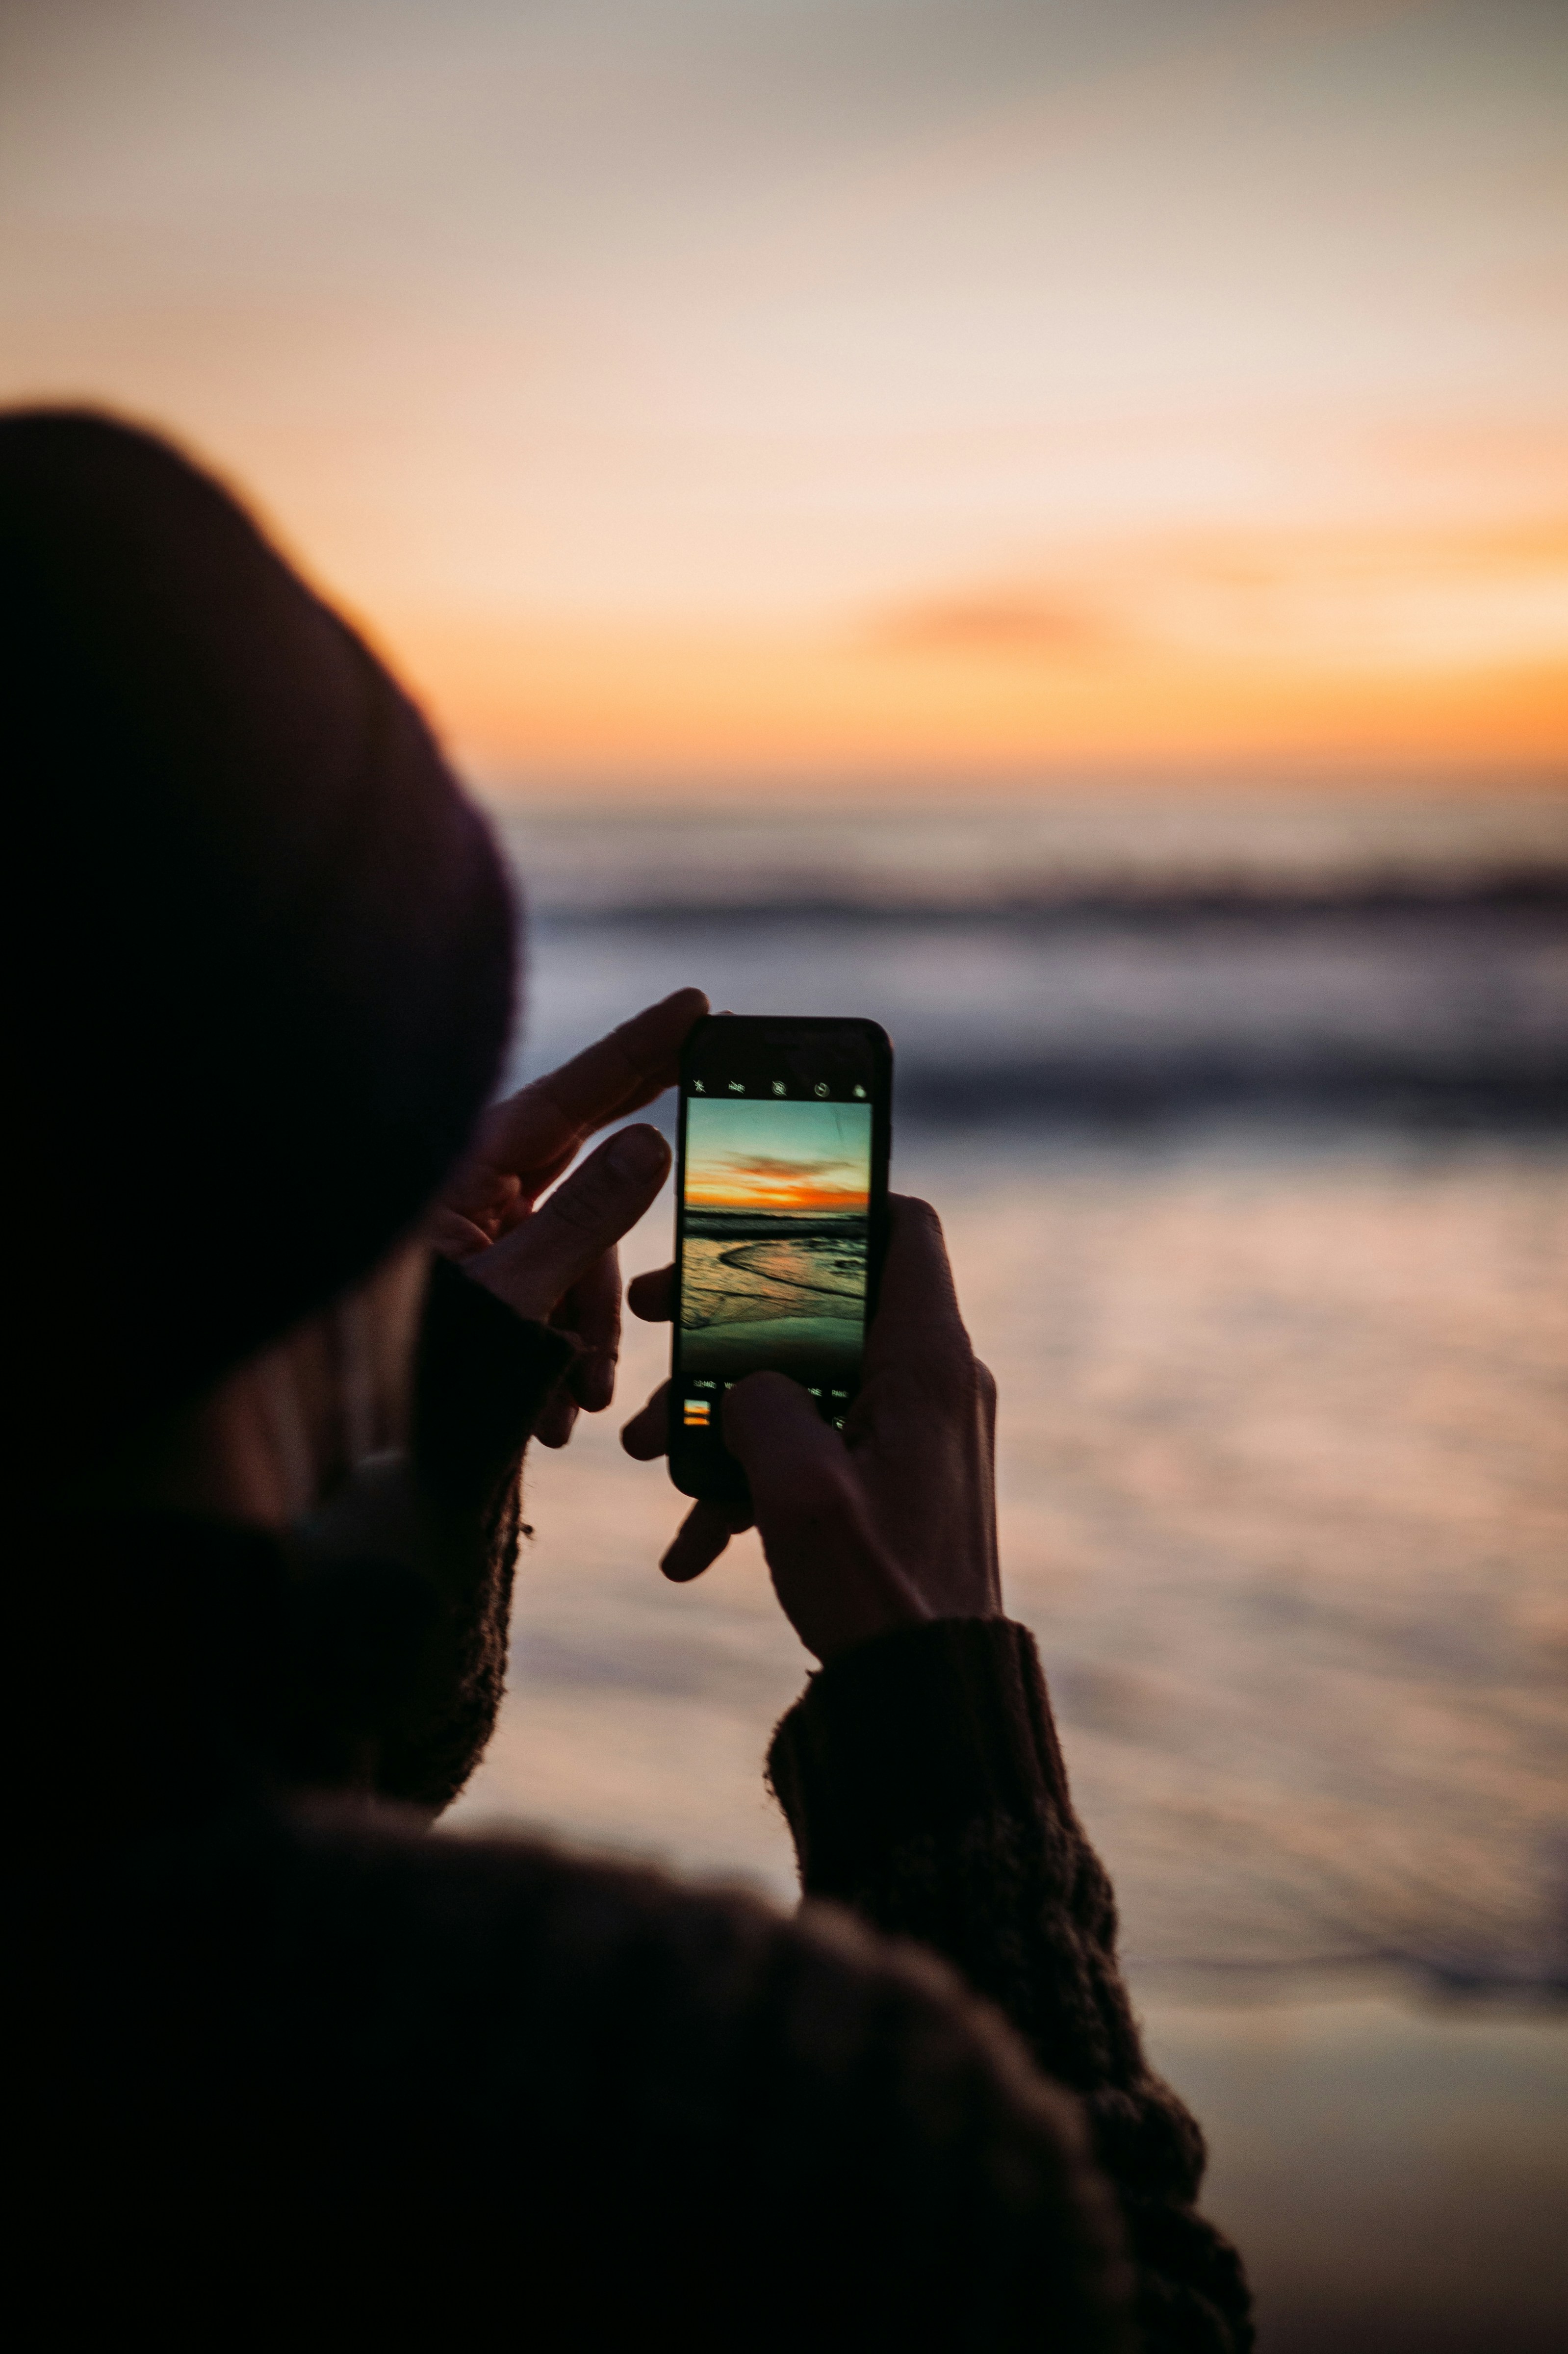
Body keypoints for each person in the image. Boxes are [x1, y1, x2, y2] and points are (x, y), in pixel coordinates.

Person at [4, 409, 1251, 2350]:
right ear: (345, 1144)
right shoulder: (734, 2107)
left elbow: (147, 1809)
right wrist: (945, 1722)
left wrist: (399, 1418)